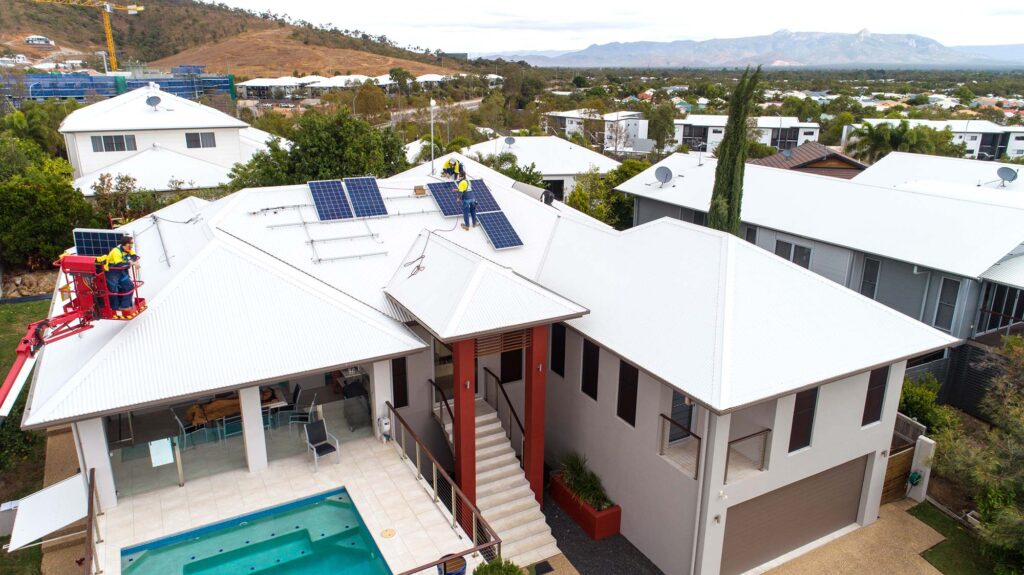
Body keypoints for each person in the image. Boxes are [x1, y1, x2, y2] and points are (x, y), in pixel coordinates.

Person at [98, 236, 140, 315]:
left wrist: (132, 260)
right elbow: (119, 264)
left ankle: (125, 306)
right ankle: (114, 308)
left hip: (120, 272)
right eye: (131, 243)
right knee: (114, 291)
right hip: (111, 272)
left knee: (129, 286)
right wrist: (132, 263)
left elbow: (134, 256)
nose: (132, 245)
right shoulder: (116, 251)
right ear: (126, 244)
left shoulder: (128, 249)